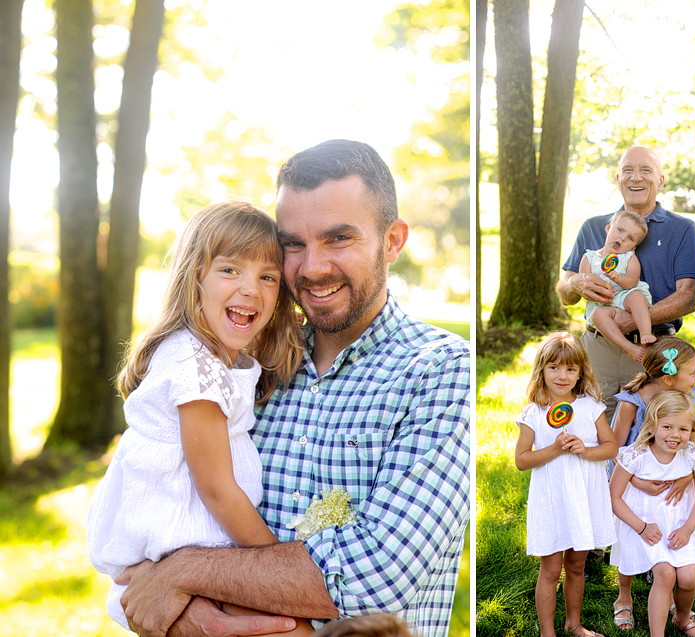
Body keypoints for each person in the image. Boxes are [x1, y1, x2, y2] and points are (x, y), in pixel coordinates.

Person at [116, 140, 470, 637]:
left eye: (338, 239)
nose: (312, 268)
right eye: (293, 245)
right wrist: (182, 615)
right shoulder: (247, 365)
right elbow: (156, 505)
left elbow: (375, 579)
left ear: (392, 241)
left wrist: (182, 573)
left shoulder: (442, 371)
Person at [86, 201, 312, 635]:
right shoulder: (197, 366)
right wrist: (275, 562)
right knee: (294, 628)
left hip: (196, 543)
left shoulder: (219, 358)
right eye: (230, 270)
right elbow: (217, 489)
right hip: (185, 540)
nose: (251, 289)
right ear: (195, 278)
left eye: (267, 277)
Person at [557, 145, 695, 424]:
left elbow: (686, 298)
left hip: (657, 347)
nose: (636, 177)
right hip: (599, 345)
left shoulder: (681, 228)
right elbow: (565, 293)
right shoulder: (595, 226)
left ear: (661, 181)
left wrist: (633, 320)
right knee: (593, 430)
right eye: (628, 170)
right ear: (618, 179)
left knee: (659, 432)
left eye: (646, 170)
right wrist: (577, 282)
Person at [514, 331, 618, 637]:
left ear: (581, 372)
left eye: (570, 369)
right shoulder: (535, 412)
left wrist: (585, 448)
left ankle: (574, 625)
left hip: (585, 497)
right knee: (550, 570)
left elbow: (611, 447)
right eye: (554, 368)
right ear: (542, 369)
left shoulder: (589, 406)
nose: (562, 376)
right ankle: (548, 633)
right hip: (553, 499)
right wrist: (555, 449)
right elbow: (521, 459)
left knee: (575, 566)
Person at [607, 337, 695, 632]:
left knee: (669, 549)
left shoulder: (689, 396)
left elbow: (694, 443)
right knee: (629, 545)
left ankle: (669, 597)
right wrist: (637, 481)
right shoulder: (631, 403)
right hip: (634, 483)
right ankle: (625, 596)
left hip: (672, 484)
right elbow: (614, 448)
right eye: (693, 372)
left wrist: (686, 477)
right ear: (669, 379)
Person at [579, 210, 654, 362]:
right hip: (603, 305)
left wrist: (618, 278)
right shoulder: (589, 258)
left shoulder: (629, 258)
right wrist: (599, 289)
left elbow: (632, 281)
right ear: (608, 229)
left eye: (630, 238)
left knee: (636, 296)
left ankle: (645, 333)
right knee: (597, 315)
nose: (622, 237)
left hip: (624, 298)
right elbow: (584, 286)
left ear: (633, 247)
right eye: (620, 230)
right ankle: (628, 347)